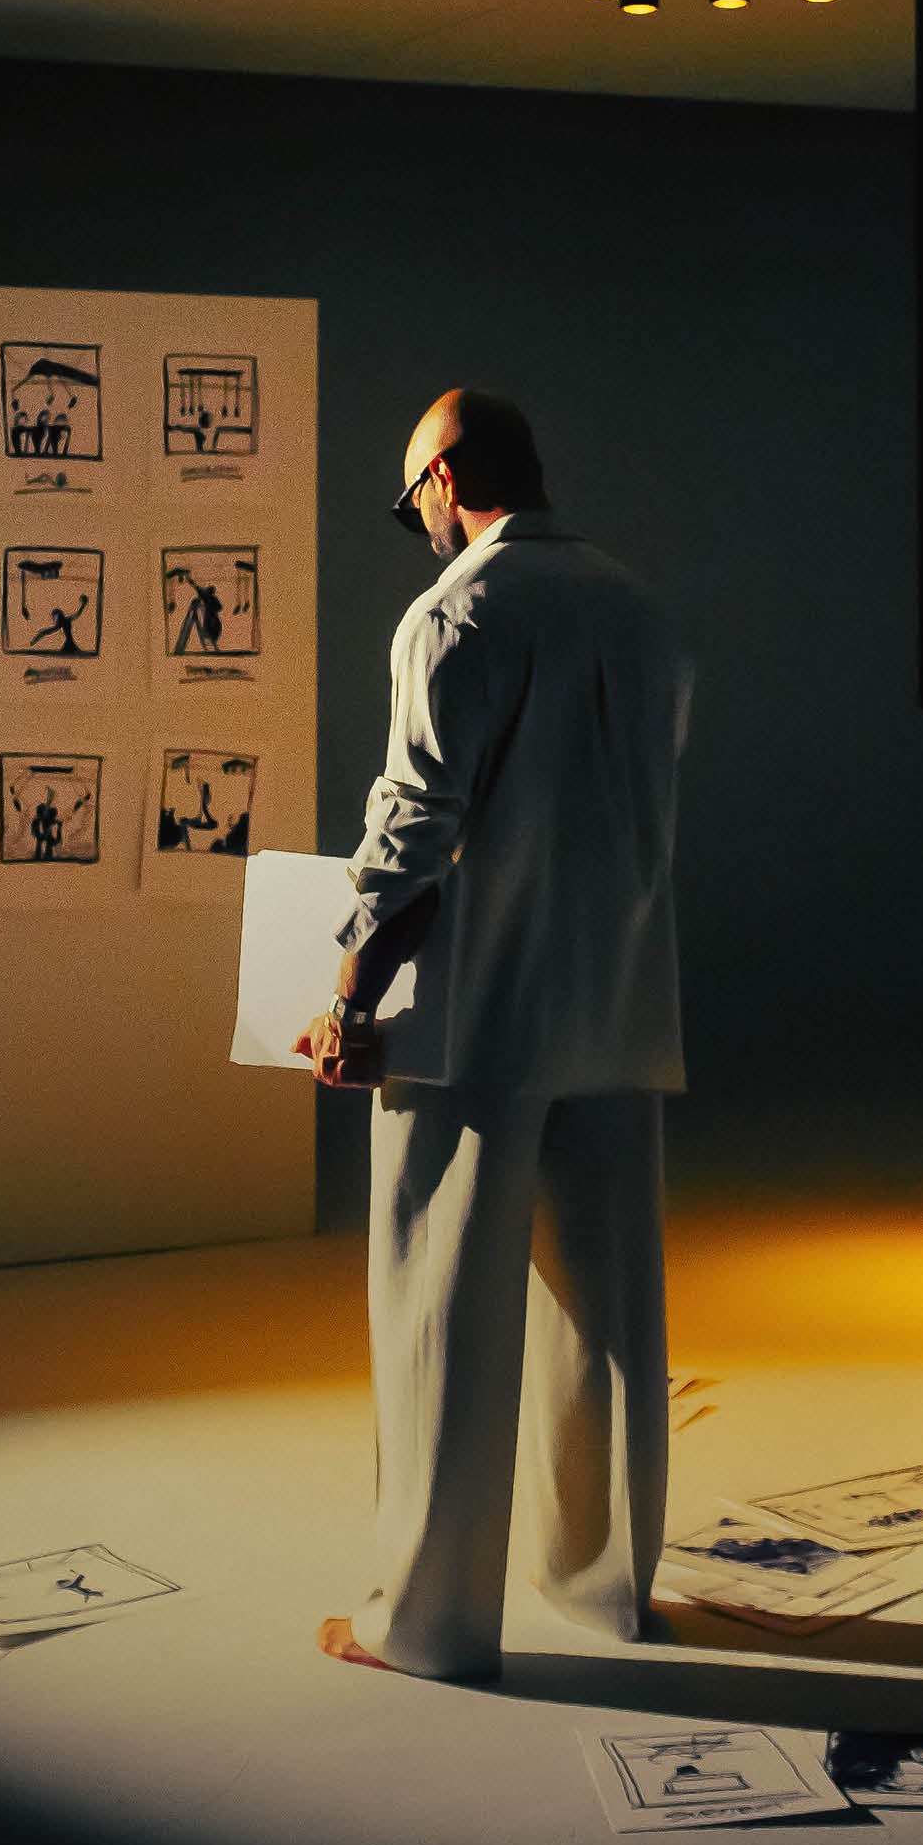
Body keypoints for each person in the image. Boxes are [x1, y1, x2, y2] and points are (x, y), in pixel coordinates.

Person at [294, 389, 692, 1681]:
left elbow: (413, 822)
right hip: (621, 994)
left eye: (412, 490)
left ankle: (427, 1625)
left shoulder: (457, 611)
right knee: (613, 1313)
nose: (414, 517)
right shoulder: (639, 609)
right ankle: (608, 1590)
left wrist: (350, 996)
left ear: (448, 476)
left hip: (477, 1011)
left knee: (438, 1315)